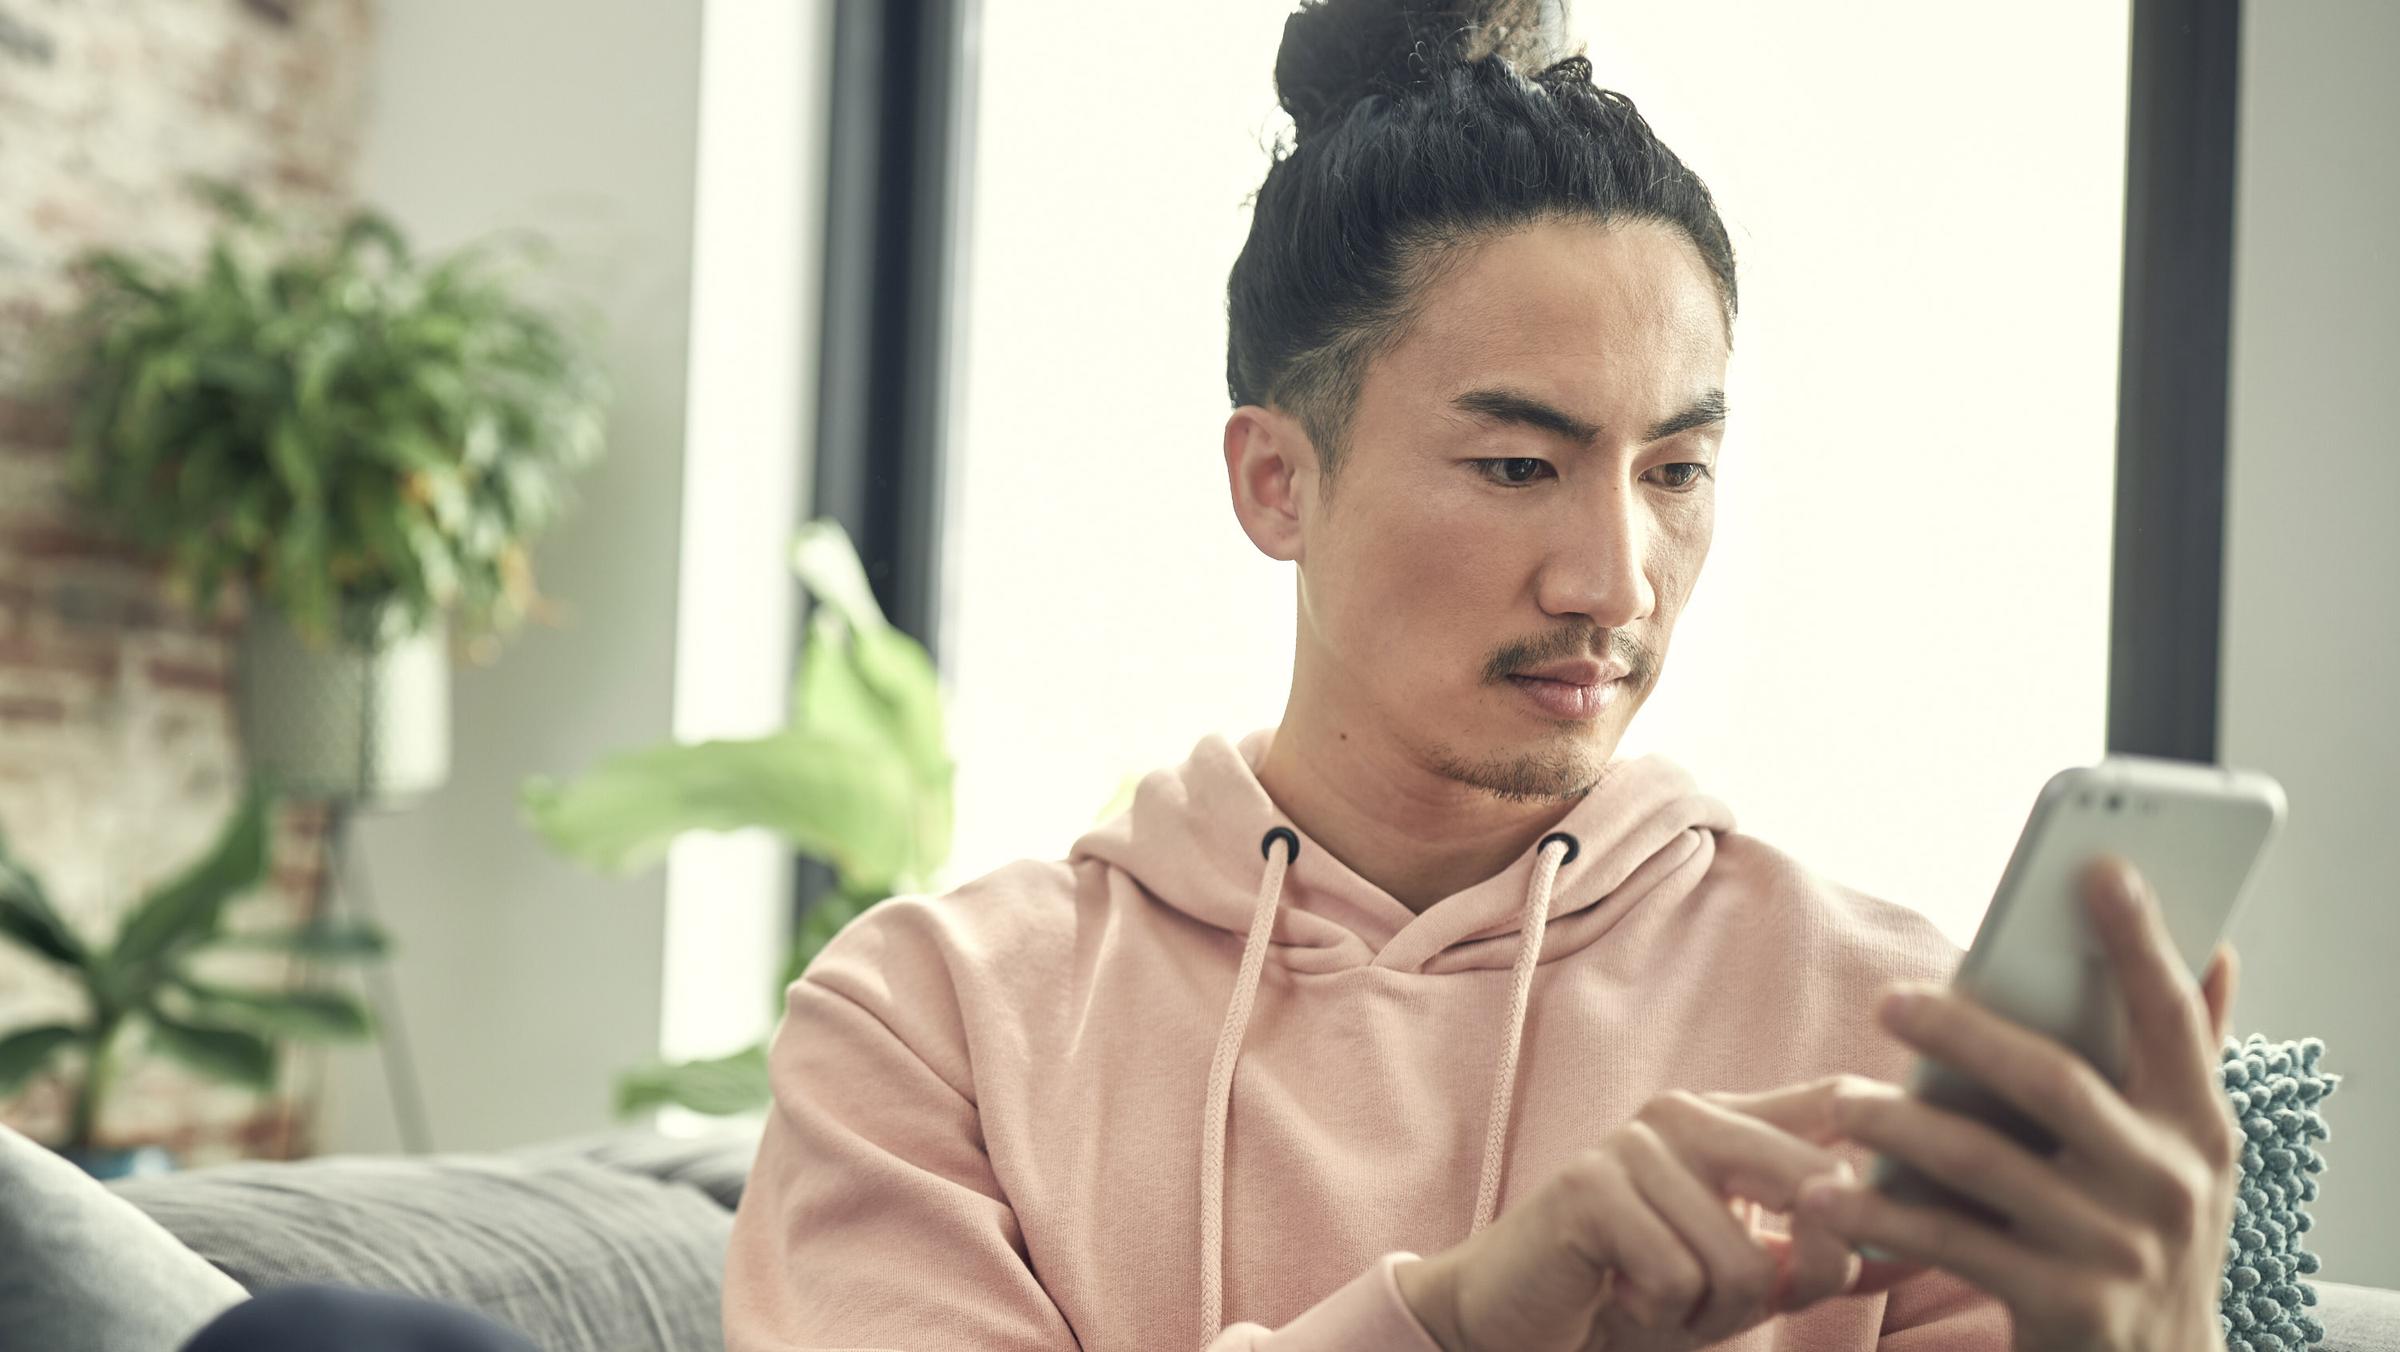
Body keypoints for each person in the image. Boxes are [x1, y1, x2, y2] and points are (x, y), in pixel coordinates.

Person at [721, 1, 2245, 1348]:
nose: (1615, 580)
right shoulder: (934, 1028)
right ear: (1276, 482)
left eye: (1676, 470)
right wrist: (1449, 1320)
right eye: (1520, 463)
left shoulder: (1896, 1036)